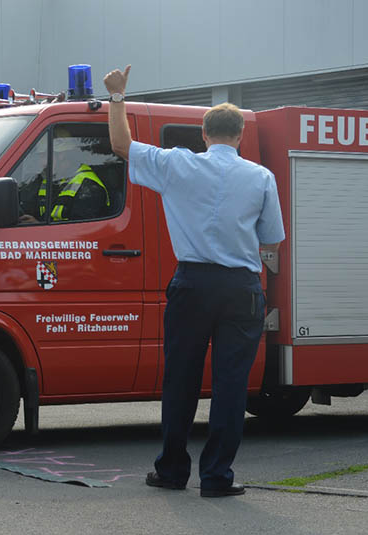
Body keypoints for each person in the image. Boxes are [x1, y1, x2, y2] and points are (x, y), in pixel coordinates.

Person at [103, 65, 285, 498]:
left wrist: (117, 97)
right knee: (230, 385)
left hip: (192, 284)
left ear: (203, 134)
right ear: (240, 137)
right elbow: (272, 239)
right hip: (241, 288)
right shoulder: (261, 177)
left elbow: (121, 145)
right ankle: (218, 478)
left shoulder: (176, 165)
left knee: (181, 380)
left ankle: (171, 471)